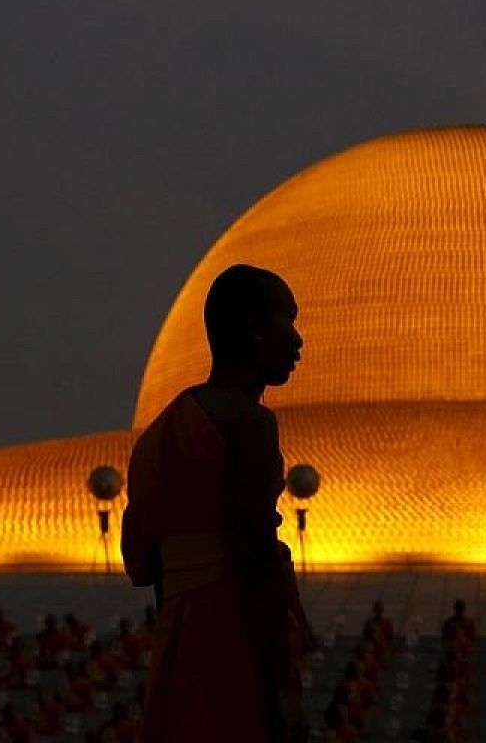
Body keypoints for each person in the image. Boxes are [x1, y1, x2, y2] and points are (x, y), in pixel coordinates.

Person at [122, 264, 313, 743]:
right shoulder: (247, 423)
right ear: (253, 328)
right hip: (232, 631)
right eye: (286, 322)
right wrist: (282, 688)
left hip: (179, 632)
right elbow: (255, 555)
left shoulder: (160, 434)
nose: (297, 342)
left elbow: (151, 563)